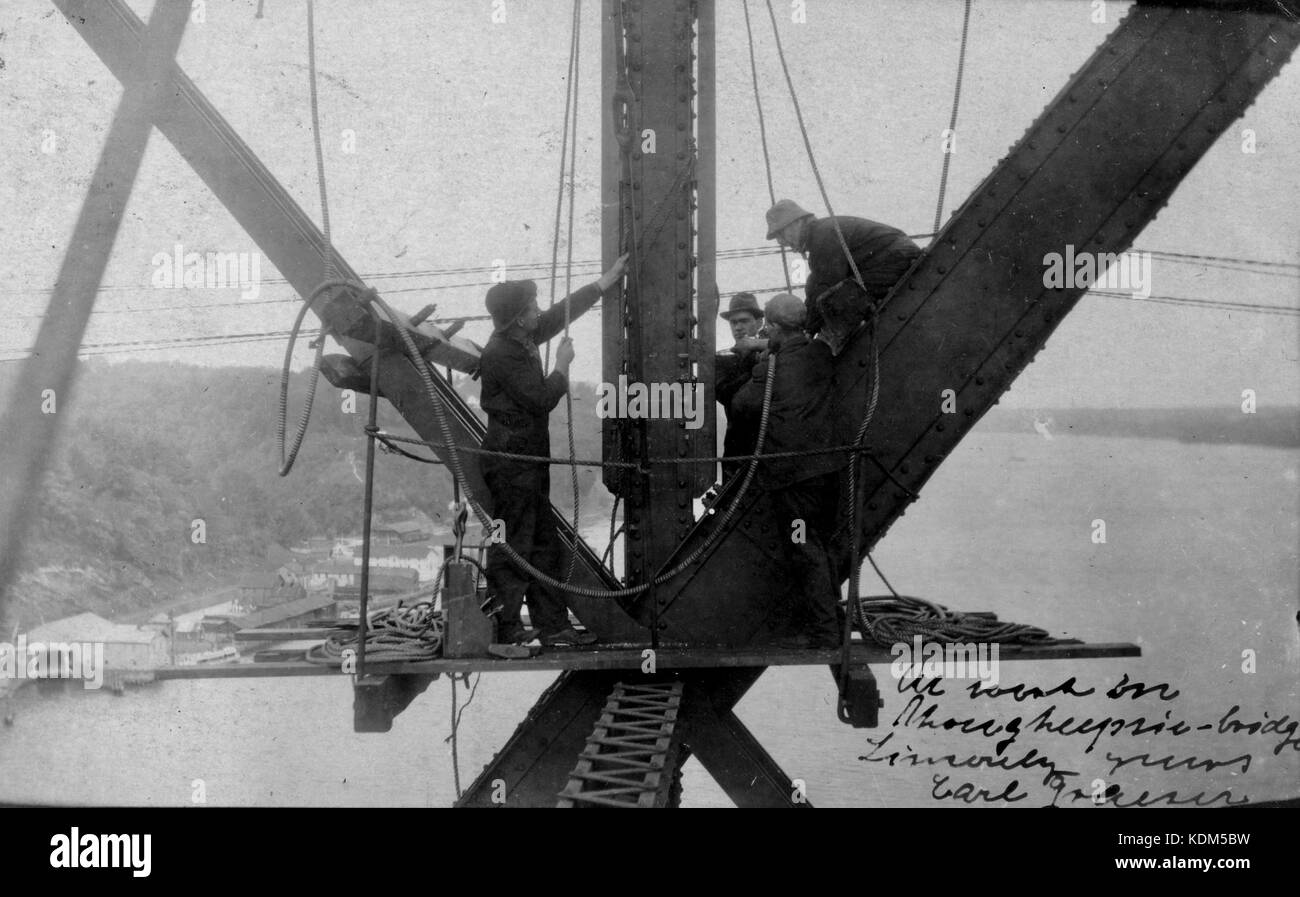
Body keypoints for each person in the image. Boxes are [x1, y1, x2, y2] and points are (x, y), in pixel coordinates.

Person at [479, 253, 628, 647]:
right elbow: (541, 398)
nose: (539, 311)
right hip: (513, 463)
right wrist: (562, 365)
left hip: (527, 460)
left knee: (542, 544)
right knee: (513, 543)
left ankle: (553, 628)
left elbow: (562, 312)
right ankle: (506, 629)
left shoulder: (518, 338)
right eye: (533, 308)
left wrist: (603, 283)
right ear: (519, 318)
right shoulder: (501, 354)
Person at [731, 293, 842, 649]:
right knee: (821, 547)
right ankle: (831, 622)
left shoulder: (770, 369)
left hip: (792, 479)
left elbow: (742, 405)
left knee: (803, 549)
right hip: (826, 474)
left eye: (768, 327)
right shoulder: (821, 355)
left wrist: (758, 363)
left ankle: (825, 634)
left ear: (776, 327)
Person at [765, 199, 921, 352]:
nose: (780, 241)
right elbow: (817, 284)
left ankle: (825, 349)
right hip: (890, 259)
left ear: (797, 222)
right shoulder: (822, 235)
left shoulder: (823, 234)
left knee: (839, 297)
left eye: (781, 233)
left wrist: (807, 330)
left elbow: (827, 285)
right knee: (818, 285)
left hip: (895, 258)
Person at [714, 292, 768, 482]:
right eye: (733, 322)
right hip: (739, 446)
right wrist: (753, 361)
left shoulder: (770, 353)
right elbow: (725, 393)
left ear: (759, 322)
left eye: (744, 321)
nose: (738, 327)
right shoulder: (722, 359)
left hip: (770, 446)